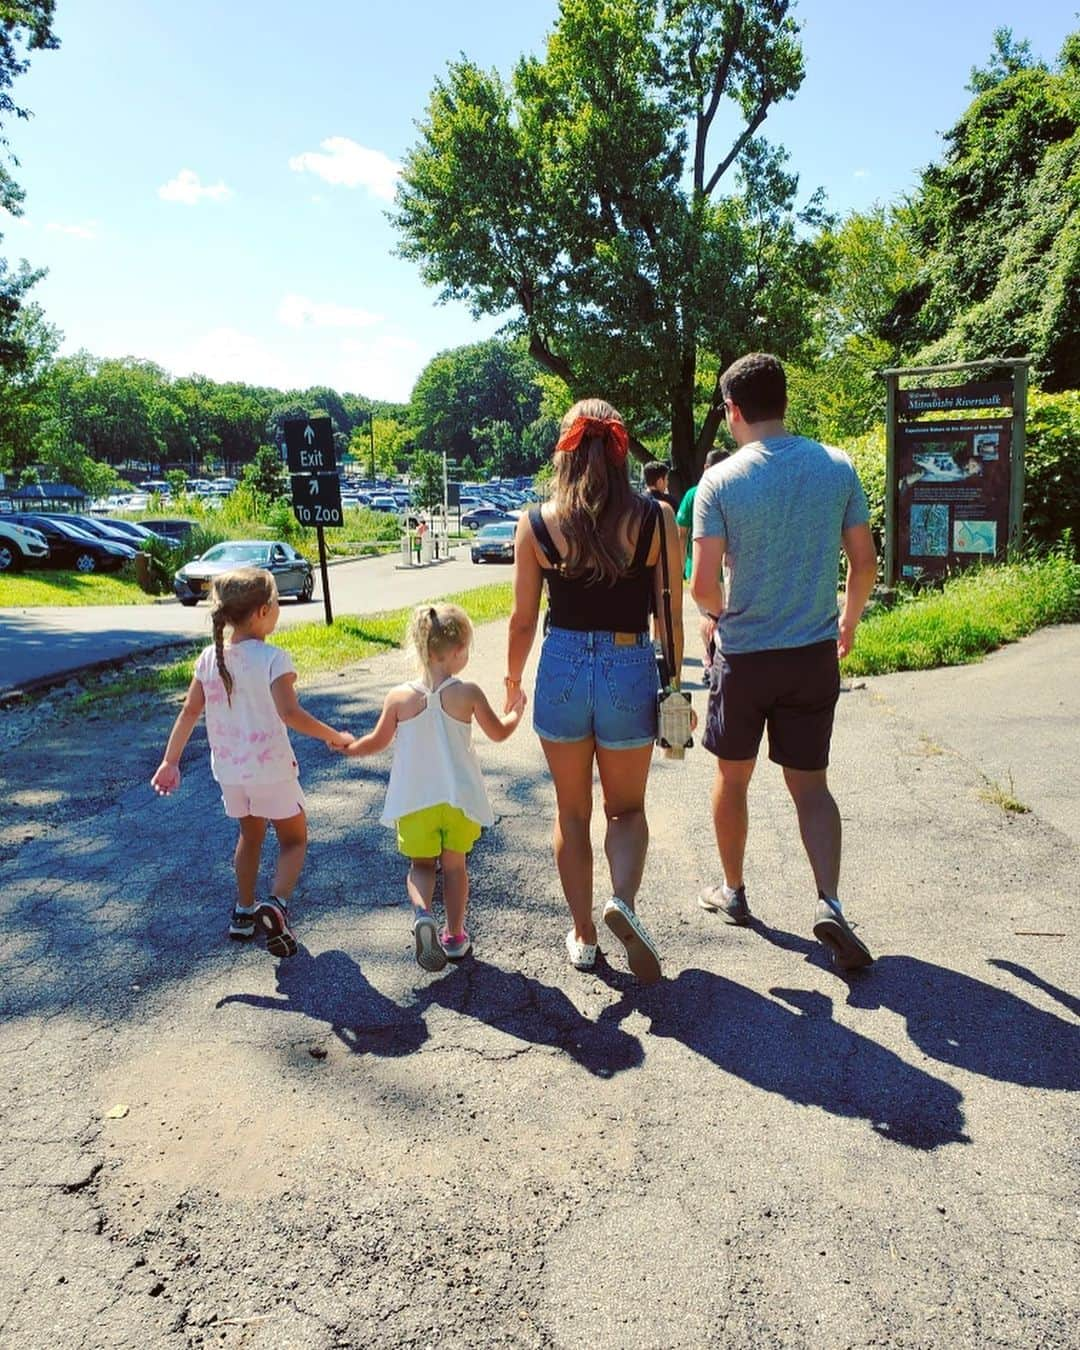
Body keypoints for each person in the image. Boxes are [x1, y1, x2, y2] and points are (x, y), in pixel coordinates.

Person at [690, 353, 878, 970]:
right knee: (812, 787)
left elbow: (704, 587)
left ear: (732, 410)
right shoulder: (836, 466)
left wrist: (714, 618)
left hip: (744, 659)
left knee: (733, 777)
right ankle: (829, 901)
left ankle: (734, 892)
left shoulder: (720, 482)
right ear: (785, 402)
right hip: (812, 654)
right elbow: (864, 563)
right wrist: (846, 623)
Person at [506, 399, 685, 984]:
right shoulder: (655, 519)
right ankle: (622, 903)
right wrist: (676, 686)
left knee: (572, 811)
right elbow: (671, 617)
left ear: (565, 450)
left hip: (560, 663)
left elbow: (522, 620)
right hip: (628, 661)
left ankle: (583, 934)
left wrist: (512, 680)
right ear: (619, 451)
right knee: (626, 809)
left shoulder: (536, 522)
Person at [150, 568, 352, 957]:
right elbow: (290, 714)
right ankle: (276, 905)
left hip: (230, 773)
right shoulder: (273, 658)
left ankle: (243, 912)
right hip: (271, 769)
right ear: (262, 611)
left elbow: (189, 713)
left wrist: (169, 761)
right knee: (294, 840)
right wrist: (333, 735)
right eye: (276, 604)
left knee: (250, 836)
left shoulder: (210, 658)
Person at [341, 603, 526, 972]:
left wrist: (350, 745)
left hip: (415, 801)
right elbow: (500, 732)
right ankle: (455, 936)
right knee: (455, 868)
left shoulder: (399, 697)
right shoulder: (468, 693)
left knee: (421, 865)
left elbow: (377, 742)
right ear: (457, 653)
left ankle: (423, 914)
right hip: (458, 799)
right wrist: (516, 710)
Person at [676, 447, 729, 679]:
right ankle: (719, 658)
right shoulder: (732, 489)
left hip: (697, 564)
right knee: (724, 613)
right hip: (728, 565)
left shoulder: (693, 494)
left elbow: (681, 532)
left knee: (708, 614)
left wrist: (677, 565)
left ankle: (710, 660)